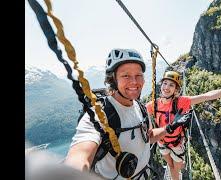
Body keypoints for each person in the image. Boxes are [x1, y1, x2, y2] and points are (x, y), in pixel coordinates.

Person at [63, 49, 191, 180]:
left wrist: (170, 127)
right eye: (126, 75)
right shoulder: (99, 115)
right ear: (113, 79)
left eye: (139, 75)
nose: (134, 82)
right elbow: (79, 157)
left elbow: (148, 136)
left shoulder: (141, 108)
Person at [146, 70, 221, 180]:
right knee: (170, 164)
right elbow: (138, 111)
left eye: (171, 85)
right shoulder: (153, 105)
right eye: (165, 83)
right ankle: (175, 166)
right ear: (161, 84)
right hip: (162, 142)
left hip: (176, 144)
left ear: (176, 90)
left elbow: (208, 96)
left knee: (175, 169)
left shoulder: (181, 102)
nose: (167, 87)